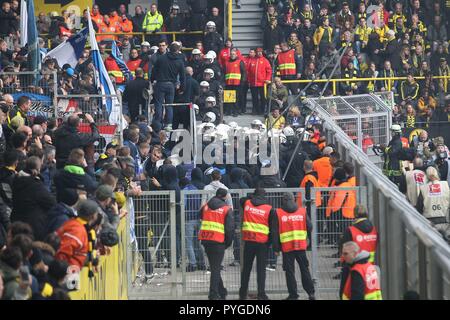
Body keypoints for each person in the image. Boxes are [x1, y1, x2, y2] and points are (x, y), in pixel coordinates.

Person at [272, 192, 315, 300]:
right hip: (300, 246)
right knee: (304, 269)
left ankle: (293, 295)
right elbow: (309, 226)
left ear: (283, 200)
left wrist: (276, 249)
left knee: (289, 272)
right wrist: (305, 237)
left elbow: (275, 233)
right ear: (293, 199)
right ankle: (311, 293)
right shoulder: (302, 211)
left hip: (287, 248)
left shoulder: (278, 213)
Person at [238, 188, 275, 300]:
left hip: (249, 241)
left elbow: (241, 199)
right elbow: (272, 229)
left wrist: (252, 197)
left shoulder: (247, 203)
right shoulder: (269, 208)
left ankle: (243, 294)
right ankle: (261, 294)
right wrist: (270, 244)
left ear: (254, 195)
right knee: (261, 270)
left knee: (246, 269)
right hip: (262, 243)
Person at [198, 188, 234, 300]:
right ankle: (213, 294)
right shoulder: (226, 209)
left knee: (215, 267)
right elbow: (229, 229)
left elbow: (200, 216)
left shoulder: (206, 207)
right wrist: (227, 243)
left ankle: (222, 291)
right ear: (225, 197)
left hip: (206, 240)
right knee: (215, 268)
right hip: (218, 241)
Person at [10, 157, 56, 241]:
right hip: (32, 226)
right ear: (37, 169)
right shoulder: (35, 185)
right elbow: (51, 202)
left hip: (16, 221)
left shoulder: (16, 179)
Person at [151, 41, 186, 131]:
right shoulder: (180, 62)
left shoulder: (161, 58)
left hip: (160, 83)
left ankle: (158, 123)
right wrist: (182, 88)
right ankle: (168, 124)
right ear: (178, 50)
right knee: (169, 105)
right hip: (171, 85)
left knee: (158, 104)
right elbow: (183, 77)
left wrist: (152, 80)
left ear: (169, 48)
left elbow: (154, 70)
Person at [55, 199, 99, 269]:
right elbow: (63, 254)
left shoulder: (75, 224)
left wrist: (91, 258)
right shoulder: (77, 230)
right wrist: (62, 272)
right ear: (93, 216)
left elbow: (79, 253)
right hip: (68, 272)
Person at [416, 166, 450, 242]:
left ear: (427, 176)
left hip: (429, 223)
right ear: (437, 174)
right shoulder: (446, 185)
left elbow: (419, 207)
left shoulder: (423, 188)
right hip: (445, 221)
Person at [248, 48, 272, 115]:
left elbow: (269, 71)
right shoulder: (252, 60)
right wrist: (249, 80)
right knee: (254, 98)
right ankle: (255, 110)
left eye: (260, 52)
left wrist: (267, 79)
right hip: (254, 83)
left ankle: (262, 110)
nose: (259, 53)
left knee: (263, 98)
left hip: (262, 83)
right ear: (256, 53)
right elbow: (249, 72)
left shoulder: (265, 60)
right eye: (258, 52)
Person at [223, 48, 246, 117]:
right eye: (231, 54)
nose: (232, 55)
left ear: (236, 55)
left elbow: (244, 72)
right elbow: (224, 73)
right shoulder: (226, 62)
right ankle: (228, 111)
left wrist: (242, 82)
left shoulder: (240, 62)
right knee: (228, 98)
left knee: (236, 98)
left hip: (237, 83)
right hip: (228, 83)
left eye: (234, 54)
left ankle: (236, 111)